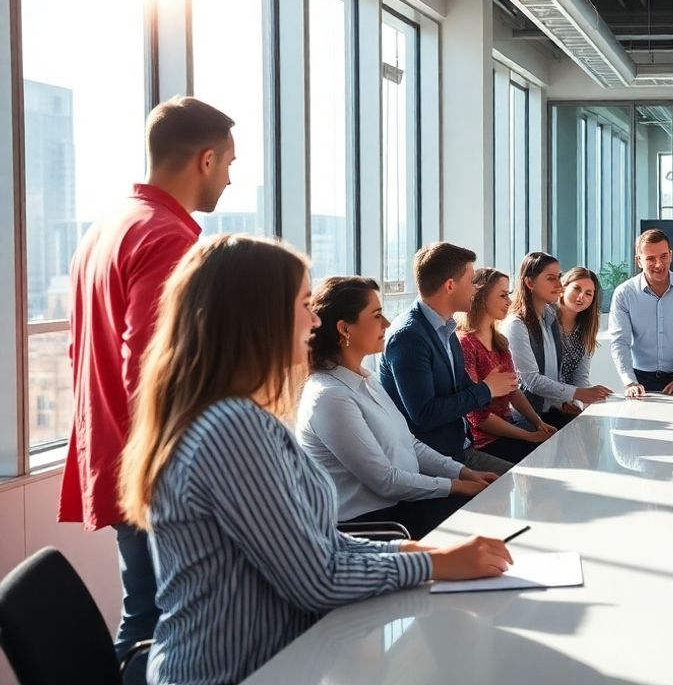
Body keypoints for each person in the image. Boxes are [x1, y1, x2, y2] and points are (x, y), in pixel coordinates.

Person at [117, 235, 512, 685]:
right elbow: (317, 577)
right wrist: (435, 563)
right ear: (257, 318)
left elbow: (318, 544)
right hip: (238, 672)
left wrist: (422, 551)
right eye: (304, 303)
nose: (313, 319)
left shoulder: (237, 416)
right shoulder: (232, 428)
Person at [60, 96, 234, 662]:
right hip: (158, 466)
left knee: (146, 617)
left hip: (115, 452)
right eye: (229, 163)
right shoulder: (168, 238)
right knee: (168, 627)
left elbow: (79, 350)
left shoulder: (104, 229)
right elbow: (151, 370)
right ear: (205, 160)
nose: (231, 179)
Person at [297, 277, 499, 538]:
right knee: (485, 521)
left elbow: (410, 444)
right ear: (344, 328)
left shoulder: (365, 378)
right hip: (375, 526)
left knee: (492, 507)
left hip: (403, 508)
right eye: (376, 316)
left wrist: (463, 472)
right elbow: (385, 481)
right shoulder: (329, 396)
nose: (387, 324)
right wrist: (455, 486)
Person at [380, 243, 516, 474]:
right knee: (523, 486)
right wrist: (486, 389)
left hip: (460, 450)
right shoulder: (409, 337)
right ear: (450, 285)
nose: (475, 289)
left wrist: (490, 387)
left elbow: (460, 386)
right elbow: (425, 414)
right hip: (435, 463)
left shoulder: (446, 327)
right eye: (471, 281)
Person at [459, 267, 559, 464]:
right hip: (484, 441)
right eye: (503, 295)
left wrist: (538, 422)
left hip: (508, 429)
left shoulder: (500, 341)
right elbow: (478, 417)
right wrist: (526, 435)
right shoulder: (465, 344)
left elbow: (513, 390)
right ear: (481, 296)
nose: (509, 301)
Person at [505, 252, 613, 425]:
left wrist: (573, 402)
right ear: (530, 282)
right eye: (551, 278)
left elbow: (559, 377)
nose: (558, 284)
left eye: (559, 277)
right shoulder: (517, 324)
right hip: (529, 418)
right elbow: (532, 381)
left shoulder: (548, 318)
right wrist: (579, 394)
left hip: (553, 411)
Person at [606, 229, 673, 397]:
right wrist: (630, 381)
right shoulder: (624, 293)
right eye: (651, 259)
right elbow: (619, 341)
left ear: (671, 255)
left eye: (663, 256)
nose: (659, 264)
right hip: (639, 379)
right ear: (639, 261)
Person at [556, 266, 613, 417]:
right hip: (547, 403)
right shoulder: (547, 320)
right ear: (563, 287)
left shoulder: (585, 328)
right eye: (576, 289)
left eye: (589, 293)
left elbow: (580, 376)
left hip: (571, 403)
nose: (581, 297)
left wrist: (579, 404)